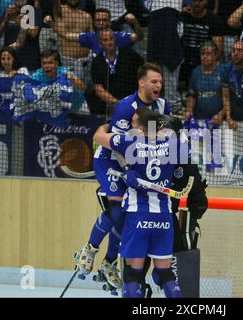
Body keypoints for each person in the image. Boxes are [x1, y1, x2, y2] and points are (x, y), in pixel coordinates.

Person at [75, 63, 171, 289]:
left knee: (128, 215)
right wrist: (128, 169)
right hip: (111, 159)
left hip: (135, 161)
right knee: (117, 207)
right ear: (142, 83)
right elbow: (115, 146)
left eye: (160, 81)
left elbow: (163, 135)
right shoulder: (125, 108)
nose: (159, 85)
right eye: (154, 81)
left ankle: (109, 262)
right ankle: (90, 248)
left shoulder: (162, 104)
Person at [93, 107, 184, 298]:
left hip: (138, 216)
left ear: (140, 128)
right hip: (164, 217)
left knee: (132, 275)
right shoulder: (174, 144)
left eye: (134, 123)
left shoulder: (130, 141)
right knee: (166, 274)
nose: (131, 125)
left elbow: (98, 136)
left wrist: (105, 127)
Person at [90, 28, 144, 115]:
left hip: (134, 104)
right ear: (100, 43)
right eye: (105, 40)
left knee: (150, 125)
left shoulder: (130, 55)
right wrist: (117, 103)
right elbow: (98, 89)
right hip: (110, 107)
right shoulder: (97, 62)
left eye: (111, 38)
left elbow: (144, 74)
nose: (110, 42)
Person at [184, 40, 227, 124]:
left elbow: (229, 99)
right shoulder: (195, 72)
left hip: (221, 122)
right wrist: (189, 110)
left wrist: (221, 114)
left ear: (215, 56)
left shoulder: (224, 71)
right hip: (199, 121)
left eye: (208, 54)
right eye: (202, 54)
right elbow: (191, 95)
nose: (204, 56)